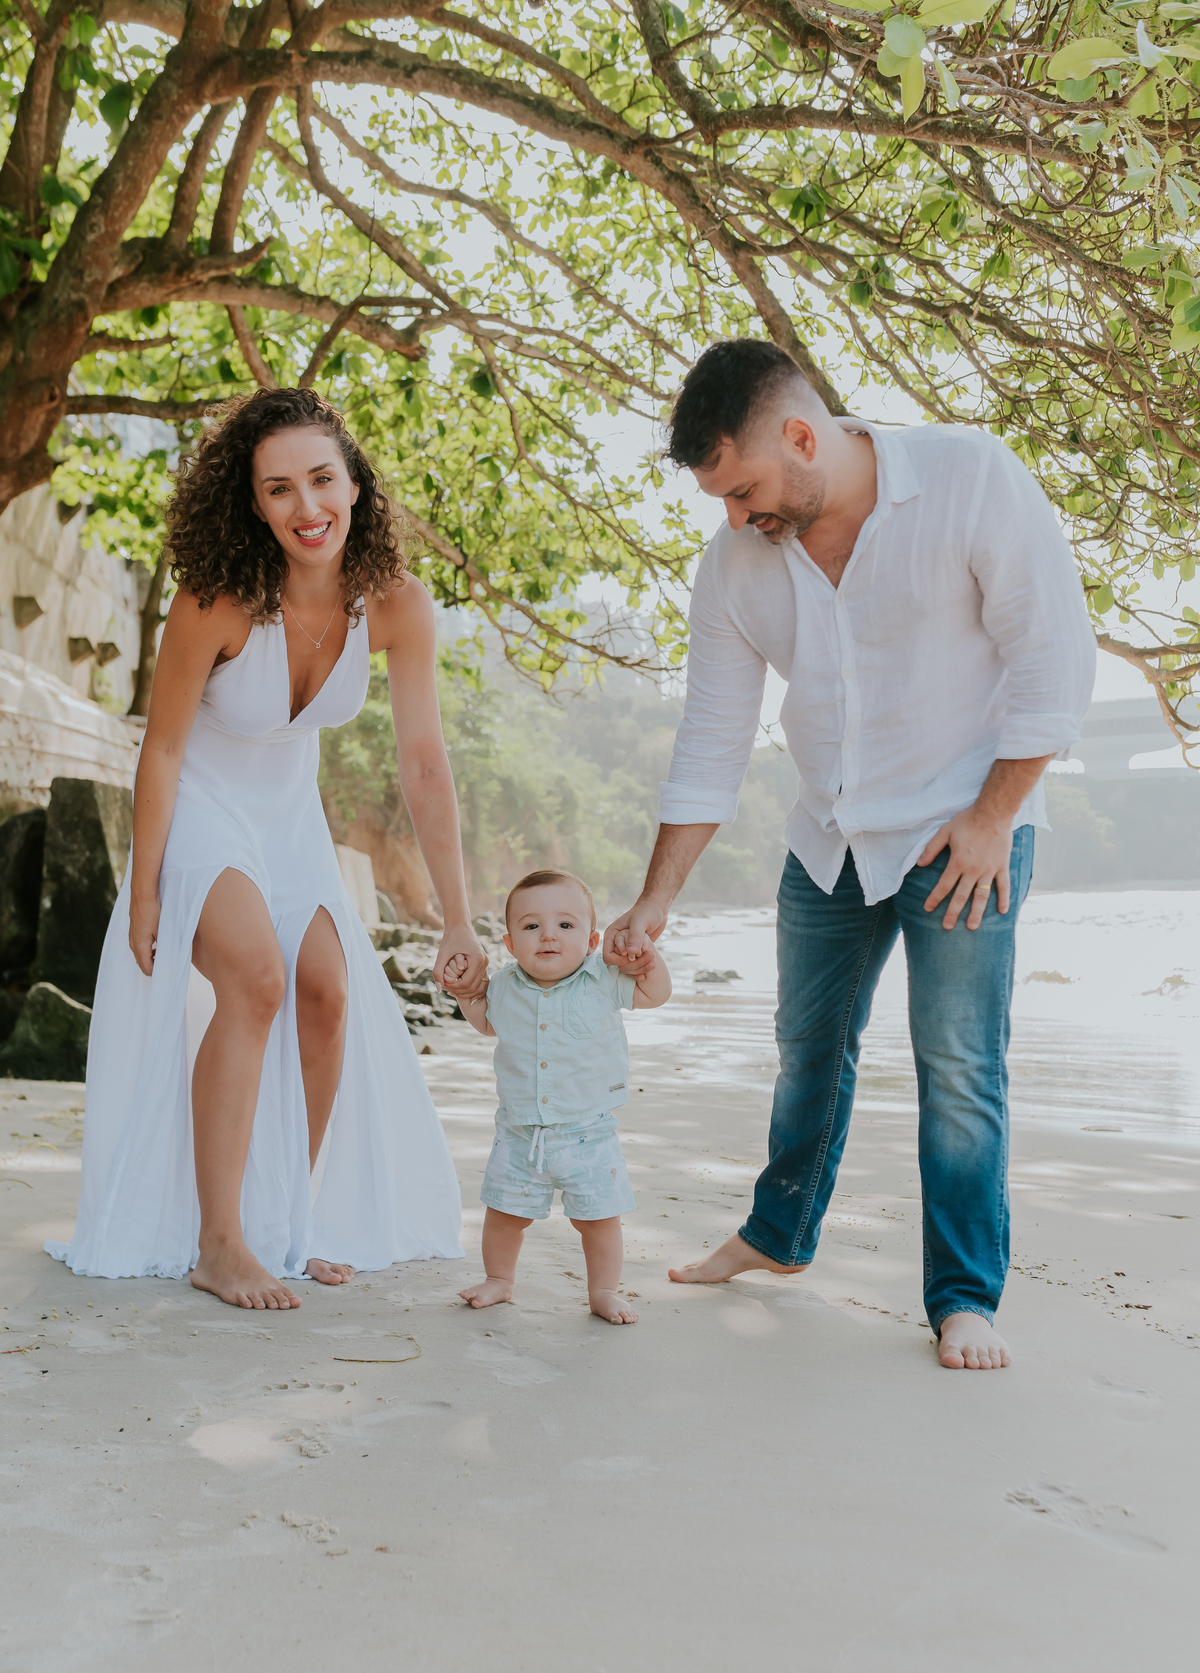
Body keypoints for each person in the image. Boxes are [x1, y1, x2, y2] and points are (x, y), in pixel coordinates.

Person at [605, 340, 1096, 1369]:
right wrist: (656, 901)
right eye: (719, 499)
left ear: (800, 434)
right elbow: (713, 738)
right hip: (827, 836)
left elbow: (1054, 659)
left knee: (958, 1070)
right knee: (806, 1050)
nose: (736, 517)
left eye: (741, 489)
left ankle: (965, 1299)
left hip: (965, 835)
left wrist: (995, 813)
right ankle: (777, 1234)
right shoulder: (736, 560)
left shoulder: (969, 478)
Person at [47, 389, 486, 1309]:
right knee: (254, 979)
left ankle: (285, 1227)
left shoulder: (398, 605)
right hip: (203, 809)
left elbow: (426, 766)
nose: (306, 507)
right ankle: (220, 1242)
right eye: (278, 488)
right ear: (253, 502)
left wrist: (457, 915)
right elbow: (161, 750)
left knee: (326, 997)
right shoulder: (217, 601)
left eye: (322, 480)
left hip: (289, 819)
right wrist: (146, 889)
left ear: (356, 486)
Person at [452, 868, 671, 1324]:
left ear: (592, 940)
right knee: (504, 1214)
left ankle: (604, 1290)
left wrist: (647, 957)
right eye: (531, 926)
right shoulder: (504, 987)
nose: (548, 936)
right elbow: (485, 1020)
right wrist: (462, 991)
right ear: (510, 944)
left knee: (598, 1219)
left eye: (565, 926)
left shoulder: (604, 979)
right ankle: (499, 1279)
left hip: (587, 1132)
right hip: (519, 1133)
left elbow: (655, 993)